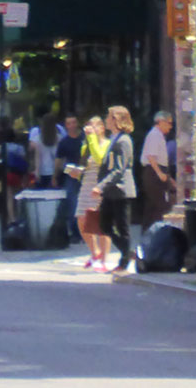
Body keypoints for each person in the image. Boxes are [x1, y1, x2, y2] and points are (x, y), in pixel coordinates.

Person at [92, 105, 137, 273]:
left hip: (122, 190)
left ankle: (124, 260)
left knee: (122, 226)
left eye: (109, 117)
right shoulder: (114, 139)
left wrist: (100, 186)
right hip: (111, 190)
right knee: (104, 225)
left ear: (117, 120)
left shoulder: (124, 140)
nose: (106, 119)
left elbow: (119, 169)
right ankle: (128, 251)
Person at [70, 115, 111, 270]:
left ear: (101, 128)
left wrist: (92, 139)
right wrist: (76, 172)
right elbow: (85, 165)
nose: (90, 130)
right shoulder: (86, 145)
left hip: (100, 186)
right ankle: (95, 252)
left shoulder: (107, 144)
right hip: (86, 185)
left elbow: (99, 158)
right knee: (81, 219)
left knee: (101, 223)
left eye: (93, 127)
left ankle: (104, 260)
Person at [140, 112, 176, 231]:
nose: (170, 126)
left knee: (152, 208)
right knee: (162, 206)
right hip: (153, 173)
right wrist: (160, 173)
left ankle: (147, 234)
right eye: (169, 123)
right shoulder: (154, 135)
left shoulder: (158, 135)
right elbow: (151, 156)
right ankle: (155, 233)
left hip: (157, 172)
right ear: (161, 121)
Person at [54, 114, 85, 243]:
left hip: (86, 175)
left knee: (86, 204)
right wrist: (55, 176)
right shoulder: (64, 142)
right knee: (72, 205)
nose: (72, 125)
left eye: (74, 122)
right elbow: (58, 161)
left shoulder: (85, 139)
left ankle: (86, 232)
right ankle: (76, 233)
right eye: (69, 123)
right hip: (71, 176)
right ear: (66, 126)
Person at [0, 120, 29, 224]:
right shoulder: (19, 148)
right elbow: (24, 160)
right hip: (17, 174)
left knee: (9, 196)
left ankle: (11, 218)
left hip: (6, 173)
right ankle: (18, 216)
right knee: (17, 195)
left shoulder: (0, 147)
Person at [32, 112, 59, 188]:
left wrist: (37, 171)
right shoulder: (59, 139)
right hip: (55, 173)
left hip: (42, 172)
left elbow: (37, 157)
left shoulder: (38, 139)